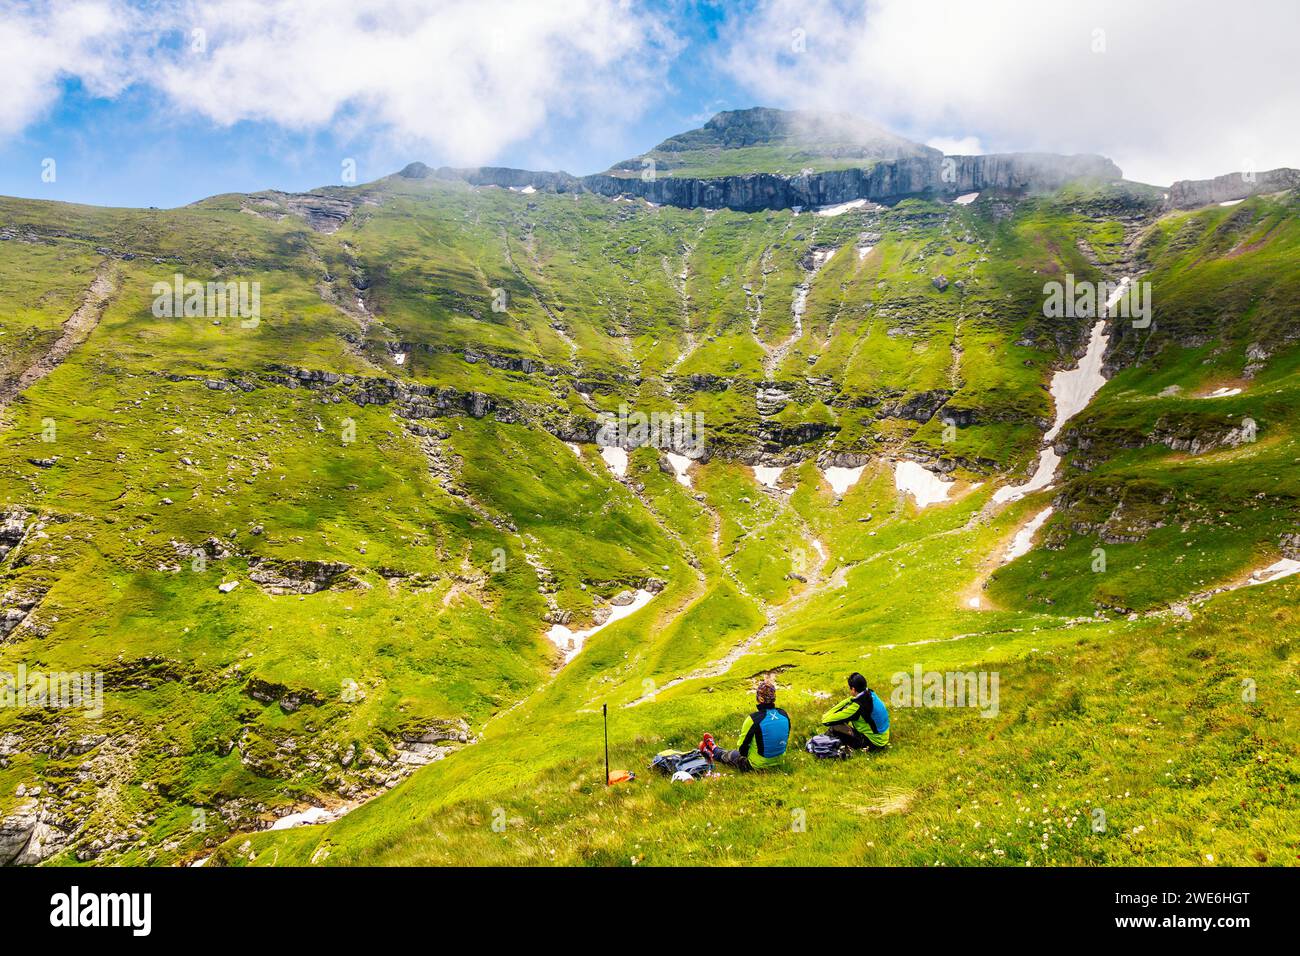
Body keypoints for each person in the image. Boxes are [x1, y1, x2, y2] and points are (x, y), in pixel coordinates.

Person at [702, 679, 790, 771]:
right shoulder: (784, 714)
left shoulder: (753, 719)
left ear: (760, 699)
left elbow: (742, 749)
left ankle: (712, 749)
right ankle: (713, 748)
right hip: (780, 762)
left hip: (757, 766)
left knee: (733, 755)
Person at [821, 672, 890, 750]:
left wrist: (847, 701)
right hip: (883, 738)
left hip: (873, 743)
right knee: (845, 717)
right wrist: (851, 700)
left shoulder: (857, 707)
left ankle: (823, 743)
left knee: (835, 725)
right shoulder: (871, 694)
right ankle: (826, 740)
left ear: (853, 689)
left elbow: (825, 720)